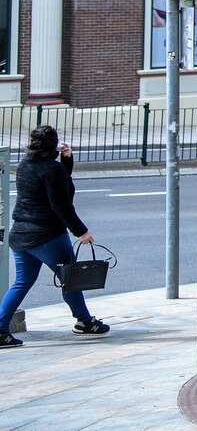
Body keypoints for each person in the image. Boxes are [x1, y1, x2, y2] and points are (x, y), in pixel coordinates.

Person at [0, 125, 110, 347]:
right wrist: (81, 232)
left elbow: (56, 187)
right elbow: (62, 203)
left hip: (21, 234)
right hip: (47, 235)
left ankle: (1, 330)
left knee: (21, 282)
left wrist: (65, 162)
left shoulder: (23, 166)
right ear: (54, 145)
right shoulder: (53, 169)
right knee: (71, 279)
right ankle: (85, 322)